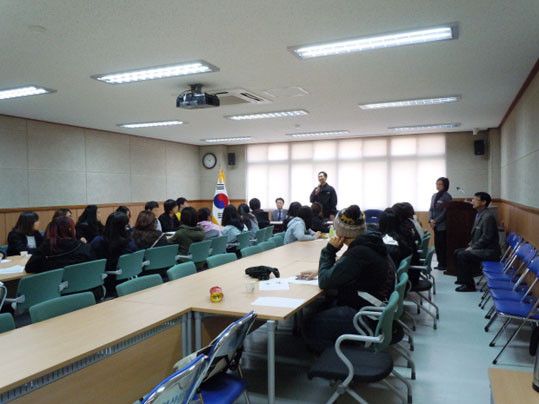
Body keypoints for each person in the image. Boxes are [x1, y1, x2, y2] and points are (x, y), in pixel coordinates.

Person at [299, 205, 396, 353]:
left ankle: (335, 359)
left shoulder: (358, 252)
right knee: (322, 305)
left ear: (341, 232)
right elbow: (347, 269)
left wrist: (329, 251)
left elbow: (325, 282)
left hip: (366, 316)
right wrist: (325, 269)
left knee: (309, 322)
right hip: (376, 309)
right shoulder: (371, 242)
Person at [454, 192, 500, 292]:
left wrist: (473, 247)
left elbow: (487, 237)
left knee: (463, 255)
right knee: (457, 252)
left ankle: (469, 285)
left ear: (483, 202)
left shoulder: (488, 217)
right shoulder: (479, 214)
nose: (472, 201)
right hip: (482, 248)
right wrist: (471, 245)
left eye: (475, 199)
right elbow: (476, 236)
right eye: (473, 199)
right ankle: (462, 279)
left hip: (489, 251)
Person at [25, 216, 95, 274]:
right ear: (71, 230)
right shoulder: (83, 246)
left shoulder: (46, 247)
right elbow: (94, 266)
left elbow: (29, 267)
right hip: (82, 284)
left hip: (53, 285)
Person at [91, 212, 137, 294]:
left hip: (101, 281)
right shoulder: (129, 243)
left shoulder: (97, 241)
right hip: (125, 280)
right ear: (123, 228)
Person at [429, 177, 452, 270]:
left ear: (445, 185)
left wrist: (436, 221)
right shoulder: (434, 196)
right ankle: (439, 263)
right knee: (437, 245)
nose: (437, 185)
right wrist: (430, 219)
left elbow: (445, 211)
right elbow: (431, 209)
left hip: (442, 225)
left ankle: (444, 264)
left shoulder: (447, 196)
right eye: (437, 183)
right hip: (434, 225)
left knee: (443, 245)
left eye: (440, 184)